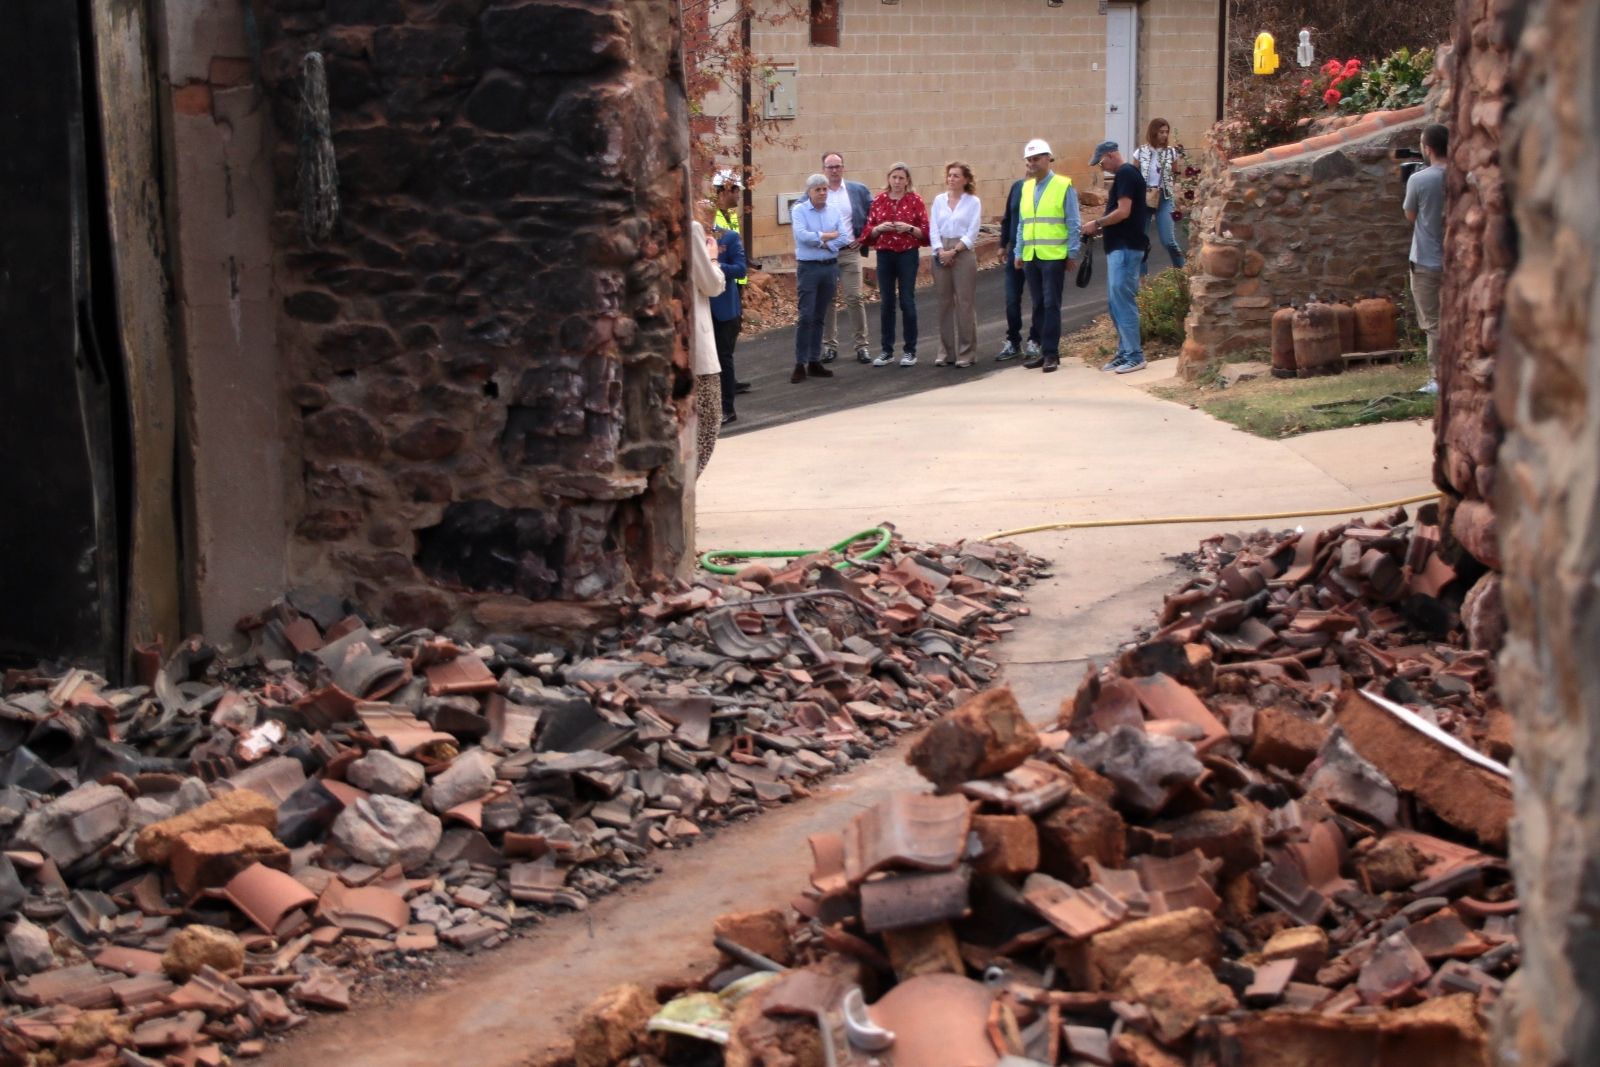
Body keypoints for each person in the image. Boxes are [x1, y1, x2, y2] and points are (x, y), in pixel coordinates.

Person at [1012, 139, 1080, 373]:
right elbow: (1023, 223)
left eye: (1036, 158)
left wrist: (1072, 252)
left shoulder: (1063, 185)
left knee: (1051, 304)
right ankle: (1042, 350)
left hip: (1053, 255)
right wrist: (1018, 251)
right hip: (1031, 255)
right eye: (1029, 159)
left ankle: (1051, 353)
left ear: (1048, 158)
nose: (1032, 163)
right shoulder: (1026, 187)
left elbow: (1073, 221)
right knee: (1039, 304)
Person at [1082, 140, 1149, 375]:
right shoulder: (1124, 176)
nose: (1102, 168)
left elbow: (1123, 211)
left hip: (1126, 247)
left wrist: (1097, 223)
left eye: (1101, 163)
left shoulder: (1126, 174)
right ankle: (1124, 351)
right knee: (1115, 302)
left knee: (1123, 301)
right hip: (1118, 247)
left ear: (1110, 155)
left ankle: (1134, 355)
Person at [862, 162, 929, 368]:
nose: (897, 182)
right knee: (887, 302)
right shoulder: (880, 200)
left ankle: (910, 350)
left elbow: (926, 232)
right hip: (884, 254)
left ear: (907, 180)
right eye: (894, 177)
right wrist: (879, 228)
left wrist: (909, 228)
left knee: (907, 300)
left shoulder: (915, 200)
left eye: (901, 178)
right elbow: (868, 232)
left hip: (907, 253)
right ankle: (886, 350)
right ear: (888, 179)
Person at [789, 174, 851, 383]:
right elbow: (802, 236)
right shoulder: (799, 210)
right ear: (809, 192)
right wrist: (826, 236)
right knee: (806, 315)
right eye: (818, 190)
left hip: (829, 268)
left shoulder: (833, 210)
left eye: (825, 189)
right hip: (809, 268)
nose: (823, 193)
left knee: (819, 316)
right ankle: (800, 363)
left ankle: (814, 361)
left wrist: (824, 241)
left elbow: (843, 237)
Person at [1405, 123, 1448, 395]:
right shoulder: (1463, 176)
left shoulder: (1419, 180)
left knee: (1433, 323)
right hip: (1457, 260)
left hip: (1426, 261)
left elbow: (1410, 215)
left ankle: (1440, 379)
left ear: (1428, 148)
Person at [818, 152, 873, 364]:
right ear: (823, 169)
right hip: (827, 254)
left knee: (854, 298)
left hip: (850, 252)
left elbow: (872, 215)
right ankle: (829, 346)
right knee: (828, 300)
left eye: (837, 166)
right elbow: (800, 212)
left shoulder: (857, 190)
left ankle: (862, 346)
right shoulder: (817, 191)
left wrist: (864, 238)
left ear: (843, 168)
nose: (834, 170)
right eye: (830, 167)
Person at [928, 161, 982, 368]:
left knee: (964, 303)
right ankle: (946, 351)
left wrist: (954, 251)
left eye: (956, 176)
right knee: (944, 303)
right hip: (941, 251)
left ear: (966, 180)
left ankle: (966, 352)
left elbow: (972, 231)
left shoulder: (973, 202)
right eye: (949, 175)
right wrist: (940, 250)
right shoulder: (939, 200)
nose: (951, 179)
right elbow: (933, 227)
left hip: (962, 251)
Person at [688, 218, 727, 475]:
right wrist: (713, 259)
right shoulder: (688, 229)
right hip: (695, 348)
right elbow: (712, 285)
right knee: (707, 422)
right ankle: (683, 493)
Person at [711, 169, 752, 404]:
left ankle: (729, 379)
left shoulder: (730, 216)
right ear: (727, 190)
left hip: (733, 286)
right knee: (723, 341)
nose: (739, 197)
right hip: (720, 285)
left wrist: (742, 286)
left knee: (730, 337)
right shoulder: (713, 217)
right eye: (737, 191)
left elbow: (737, 255)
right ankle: (724, 381)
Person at [997, 161, 1041, 362]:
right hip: (1015, 251)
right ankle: (1013, 341)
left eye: (1034, 162)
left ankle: (1035, 339)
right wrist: (1002, 244)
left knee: (1038, 299)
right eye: (1027, 163)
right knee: (1012, 298)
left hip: (1036, 252)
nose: (1030, 167)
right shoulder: (1017, 187)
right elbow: (1008, 217)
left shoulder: (1046, 190)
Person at [1133, 118, 1186, 275]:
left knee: (1168, 240)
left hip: (1164, 197)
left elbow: (1176, 173)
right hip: (1144, 198)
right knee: (1141, 240)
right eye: (1161, 132)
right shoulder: (1140, 152)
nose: (1164, 135)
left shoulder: (1171, 152)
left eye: (1166, 132)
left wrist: (1168, 185)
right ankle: (1143, 280)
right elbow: (1133, 174)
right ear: (1153, 132)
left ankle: (1183, 271)